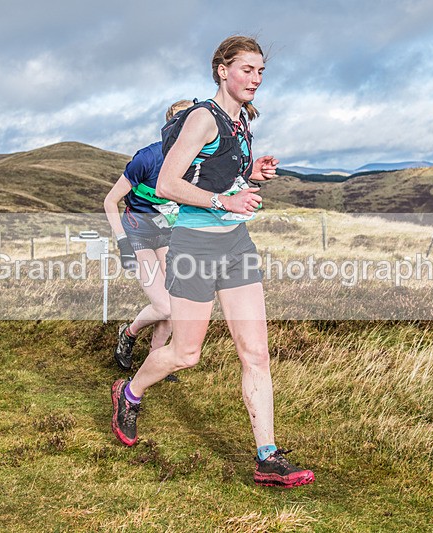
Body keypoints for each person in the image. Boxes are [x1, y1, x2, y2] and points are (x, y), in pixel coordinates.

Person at [111, 36, 315, 488]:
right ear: (222, 69)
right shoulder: (203, 117)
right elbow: (166, 184)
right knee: (185, 354)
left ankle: (268, 457)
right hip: (194, 248)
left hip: (235, 246)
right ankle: (129, 392)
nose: (256, 79)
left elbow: (218, 175)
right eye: (247, 69)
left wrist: (251, 175)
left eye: (261, 71)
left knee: (256, 352)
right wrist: (226, 200)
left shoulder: (241, 121)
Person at [103, 100, 193, 373]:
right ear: (169, 127)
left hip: (166, 233)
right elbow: (110, 201)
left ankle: (156, 361)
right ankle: (128, 335)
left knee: (175, 303)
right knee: (164, 306)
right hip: (137, 229)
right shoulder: (148, 158)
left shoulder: (196, 163)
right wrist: (122, 243)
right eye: (181, 121)